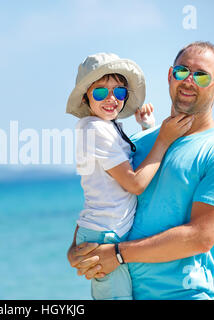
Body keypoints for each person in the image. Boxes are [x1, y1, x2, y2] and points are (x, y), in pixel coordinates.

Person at [67, 42, 214, 300]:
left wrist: (117, 253)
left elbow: (201, 237)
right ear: (170, 76)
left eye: (202, 75)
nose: (189, 81)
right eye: (182, 72)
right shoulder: (140, 142)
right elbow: (104, 195)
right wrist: (77, 249)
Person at [65, 52, 194, 299]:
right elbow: (134, 183)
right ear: (85, 97)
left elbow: (124, 170)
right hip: (103, 235)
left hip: (104, 230)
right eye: (101, 92)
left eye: (120, 92)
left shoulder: (108, 126)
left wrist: (147, 128)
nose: (111, 99)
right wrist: (164, 139)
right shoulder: (95, 130)